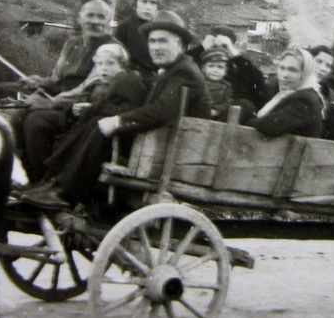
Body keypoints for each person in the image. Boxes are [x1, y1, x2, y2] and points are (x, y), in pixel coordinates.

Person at [20, 11, 209, 209]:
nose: (156, 47)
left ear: (179, 44)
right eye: (152, 41)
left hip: (171, 151)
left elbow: (161, 111)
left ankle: (65, 192)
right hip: (157, 142)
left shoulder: (184, 72)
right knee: (96, 120)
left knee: (101, 125)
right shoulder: (172, 70)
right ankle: (52, 182)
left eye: (163, 41)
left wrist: (118, 121)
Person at [18, 43, 147, 208]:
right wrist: (75, 109)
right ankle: (44, 181)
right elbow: (81, 100)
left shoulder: (127, 80)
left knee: (69, 128)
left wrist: (90, 109)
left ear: (122, 65)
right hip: (86, 124)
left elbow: (129, 110)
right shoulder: (97, 82)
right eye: (100, 64)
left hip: (110, 136)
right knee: (38, 120)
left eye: (110, 63)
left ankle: (57, 187)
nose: (104, 68)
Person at [19, 0, 115, 183]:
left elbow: (89, 87)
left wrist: (50, 103)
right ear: (80, 18)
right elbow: (56, 78)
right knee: (18, 116)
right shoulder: (72, 44)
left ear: (108, 20)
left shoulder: (110, 49)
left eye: (101, 17)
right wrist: (39, 82)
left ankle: (45, 181)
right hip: (61, 103)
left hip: (84, 108)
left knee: (36, 121)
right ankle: (27, 176)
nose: (95, 21)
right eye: (90, 15)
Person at [244, 47, 324, 137]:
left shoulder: (305, 99)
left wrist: (244, 120)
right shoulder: (291, 93)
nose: (285, 75)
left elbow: (269, 126)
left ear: (305, 73)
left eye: (292, 70)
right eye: (282, 68)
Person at [194, 26, 268, 117]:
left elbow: (258, 82)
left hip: (225, 114)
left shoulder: (238, 66)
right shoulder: (201, 62)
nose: (219, 50)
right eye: (214, 46)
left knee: (245, 104)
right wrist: (201, 48)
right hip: (199, 109)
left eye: (224, 46)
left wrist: (235, 55)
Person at [113, 0, 162, 79]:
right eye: (144, 1)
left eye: (153, 3)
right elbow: (117, 58)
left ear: (157, 7)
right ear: (135, 4)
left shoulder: (160, 28)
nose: (148, 7)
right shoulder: (124, 27)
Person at [200, 48, 233, 120]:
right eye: (211, 66)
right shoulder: (199, 82)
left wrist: (217, 110)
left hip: (218, 116)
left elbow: (227, 103)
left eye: (220, 67)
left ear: (225, 71)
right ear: (203, 68)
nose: (215, 70)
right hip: (200, 113)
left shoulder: (226, 86)